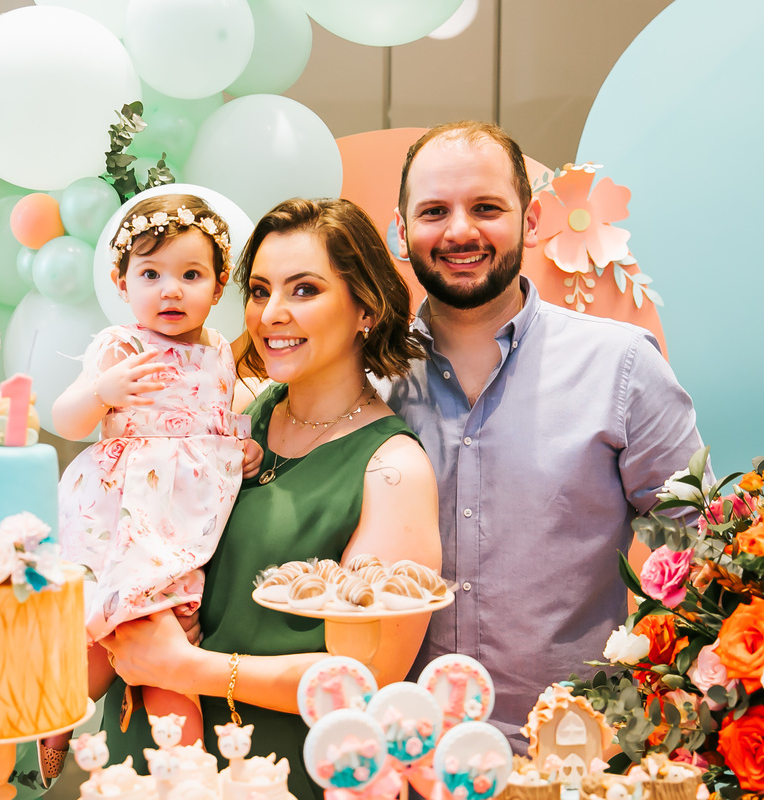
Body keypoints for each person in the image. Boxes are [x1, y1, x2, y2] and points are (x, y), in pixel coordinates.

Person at [98, 197, 442, 800]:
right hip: (144, 758)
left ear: (366, 307)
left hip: (268, 772)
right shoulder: (232, 418)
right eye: (259, 291)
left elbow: (365, 678)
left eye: (304, 290)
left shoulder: (392, 468)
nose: (271, 314)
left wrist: (185, 667)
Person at [386, 121, 707, 748]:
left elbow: (702, 553)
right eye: (434, 211)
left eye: (486, 208)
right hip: (397, 760)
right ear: (402, 230)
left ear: (531, 220)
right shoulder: (367, 378)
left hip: (576, 756)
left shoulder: (622, 366)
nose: (459, 231)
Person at [53, 193, 262, 746]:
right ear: (122, 284)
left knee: (170, 624)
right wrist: (102, 392)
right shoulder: (122, 346)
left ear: (218, 287)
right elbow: (66, 419)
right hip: (127, 505)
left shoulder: (220, 350)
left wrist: (241, 448)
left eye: (191, 275)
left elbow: (218, 419)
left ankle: (180, 758)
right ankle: (58, 715)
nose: (171, 289)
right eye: (151, 274)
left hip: (187, 514)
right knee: (125, 611)